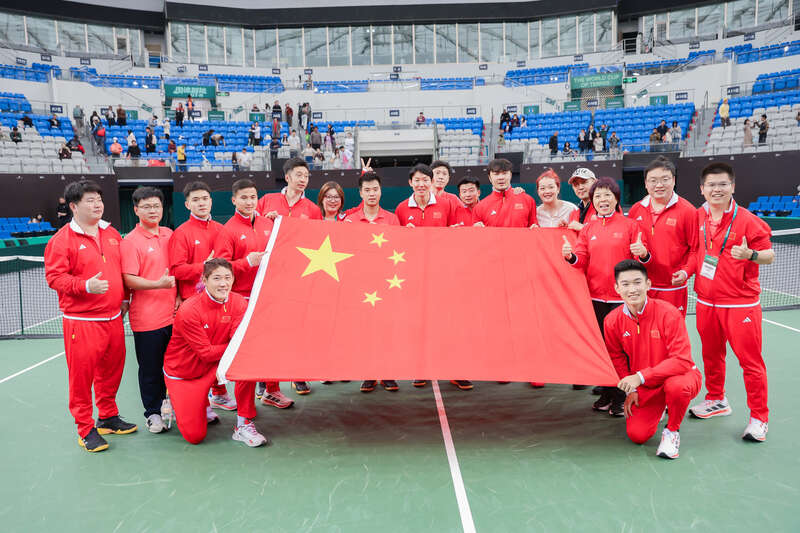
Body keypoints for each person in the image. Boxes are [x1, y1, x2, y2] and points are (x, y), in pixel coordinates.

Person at [44, 180, 137, 452]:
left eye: (99, 199)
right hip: (82, 322)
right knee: (81, 379)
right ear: (74, 206)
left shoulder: (112, 233)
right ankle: (85, 429)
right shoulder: (61, 240)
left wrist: (124, 298)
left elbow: (121, 271)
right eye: (90, 200)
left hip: (114, 318)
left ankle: (107, 417)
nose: (98, 205)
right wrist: (85, 285)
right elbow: (54, 278)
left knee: (112, 372)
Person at [687, 162, 774, 443]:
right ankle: (716, 399)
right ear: (702, 189)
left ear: (732, 186)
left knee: (750, 362)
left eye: (723, 184)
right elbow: (695, 252)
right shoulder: (698, 216)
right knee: (711, 356)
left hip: (739, 304)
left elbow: (769, 255)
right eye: (711, 185)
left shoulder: (748, 220)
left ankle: (759, 418)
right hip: (706, 301)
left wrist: (750, 255)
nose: (717, 189)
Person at [561, 177, 651, 416]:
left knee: (622, 350)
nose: (602, 200)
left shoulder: (630, 225)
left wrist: (643, 254)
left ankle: (621, 398)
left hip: (623, 299)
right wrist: (570, 256)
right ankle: (608, 393)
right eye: (598, 196)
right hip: (596, 299)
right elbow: (581, 259)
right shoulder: (588, 228)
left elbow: (640, 260)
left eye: (607, 195)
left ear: (616, 199)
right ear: (593, 201)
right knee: (603, 349)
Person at [163, 258, 268, 447]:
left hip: (216, 365)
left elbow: (236, 342)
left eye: (228, 277)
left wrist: (240, 346)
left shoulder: (238, 302)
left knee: (246, 364)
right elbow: (206, 353)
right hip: (186, 373)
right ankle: (184, 400)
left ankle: (243, 424)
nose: (223, 283)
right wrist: (237, 345)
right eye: (217, 278)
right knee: (195, 437)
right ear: (204, 280)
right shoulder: (188, 311)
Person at [604, 260, 702, 459]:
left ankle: (672, 431)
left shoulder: (669, 313)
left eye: (637, 282)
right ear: (617, 288)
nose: (632, 289)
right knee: (637, 435)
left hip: (680, 375)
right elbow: (616, 357)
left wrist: (639, 377)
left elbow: (682, 360)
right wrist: (631, 390)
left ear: (648, 284)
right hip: (647, 386)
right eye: (625, 284)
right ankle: (661, 406)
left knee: (677, 388)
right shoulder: (611, 321)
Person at [167, 181, 237, 410]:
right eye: (195, 200)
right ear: (187, 204)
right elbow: (177, 269)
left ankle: (219, 393)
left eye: (205, 199)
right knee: (199, 354)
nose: (201, 203)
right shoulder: (181, 233)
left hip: (220, 302)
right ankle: (200, 401)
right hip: (193, 305)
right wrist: (204, 266)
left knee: (218, 350)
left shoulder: (221, 229)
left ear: (211, 201)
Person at [256, 159, 322, 401]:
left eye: (306, 175)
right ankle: (263, 378)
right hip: (269, 274)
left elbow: (318, 242)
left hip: (299, 275)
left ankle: (297, 374)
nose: (303, 179)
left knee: (297, 326)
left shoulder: (312, 209)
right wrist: (267, 220)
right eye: (299, 175)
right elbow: (254, 227)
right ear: (287, 177)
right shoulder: (267, 200)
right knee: (267, 328)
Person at [121, 187, 177, 434]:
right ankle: (153, 413)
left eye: (156, 206)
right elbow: (129, 279)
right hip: (147, 319)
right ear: (136, 210)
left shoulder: (170, 234)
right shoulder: (130, 242)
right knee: (151, 370)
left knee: (177, 367)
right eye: (146, 206)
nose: (152, 210)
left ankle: (177, 406)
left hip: (175, 316)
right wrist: (158, 284)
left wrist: (180, 296)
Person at [342, 172, 401, 392]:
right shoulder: (350, 221)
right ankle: (368, 373)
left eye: (375, 189)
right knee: (364, 330)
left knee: (386, 330)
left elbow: (400, 250)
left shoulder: (392, 219)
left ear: (381, 191)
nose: (371, 194)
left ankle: (387, 372)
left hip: (387, 283)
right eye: (367, 190)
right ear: (360, 193)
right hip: (360, 284)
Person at [627, 157, 698, 316]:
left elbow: (696, 250)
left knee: (672, 329)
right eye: (653, 180)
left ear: (673, 180)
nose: (659, 185)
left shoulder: (688, 211)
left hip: (673, 288)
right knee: (643, 329)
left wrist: (686, 272)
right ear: (646, 183)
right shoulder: (635, 210)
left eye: (665, 179)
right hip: (642, 287)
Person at [473, 158, 537, 229]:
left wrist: (535, 227)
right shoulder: (480, 207)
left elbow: (535, 229)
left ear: (510, 175)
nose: (501, 177)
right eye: (496, 174)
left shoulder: (528, 200)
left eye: (504, 173)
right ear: (490, 178)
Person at [395, 163, 457, 228]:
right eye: (417, 180)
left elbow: (453, 230)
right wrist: (405, 231)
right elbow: (397, 232)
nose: (421, 185)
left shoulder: (447, 205)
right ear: (410, 182)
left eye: (425, 180)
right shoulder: (401, 209)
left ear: (432, 181)